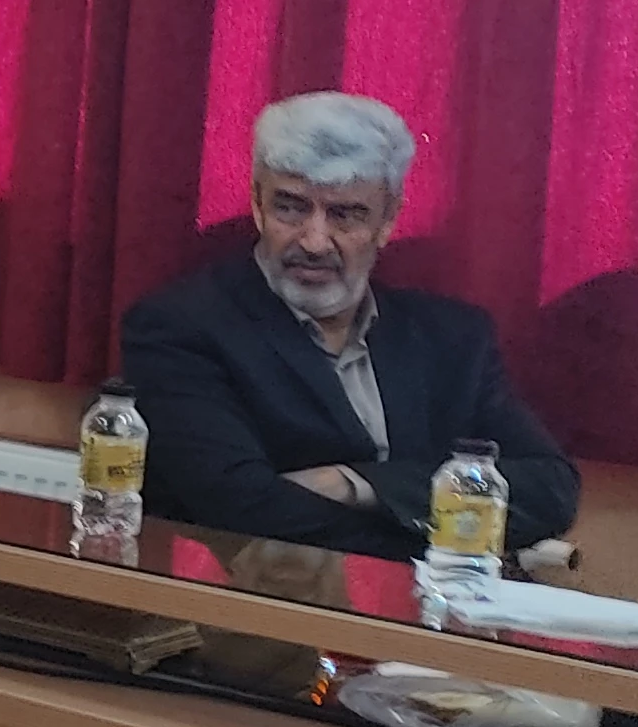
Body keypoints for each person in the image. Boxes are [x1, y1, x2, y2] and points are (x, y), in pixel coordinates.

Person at [121, 91, 576, 556]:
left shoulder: (453, 340)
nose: (314, 242)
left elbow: (550, 487)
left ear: (388, 219)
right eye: (291, 207)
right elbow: (239, 507)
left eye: (345, 214)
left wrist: (352, 484)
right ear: (257, 204)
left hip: (437, 597)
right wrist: (447, 539)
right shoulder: (181, 327)